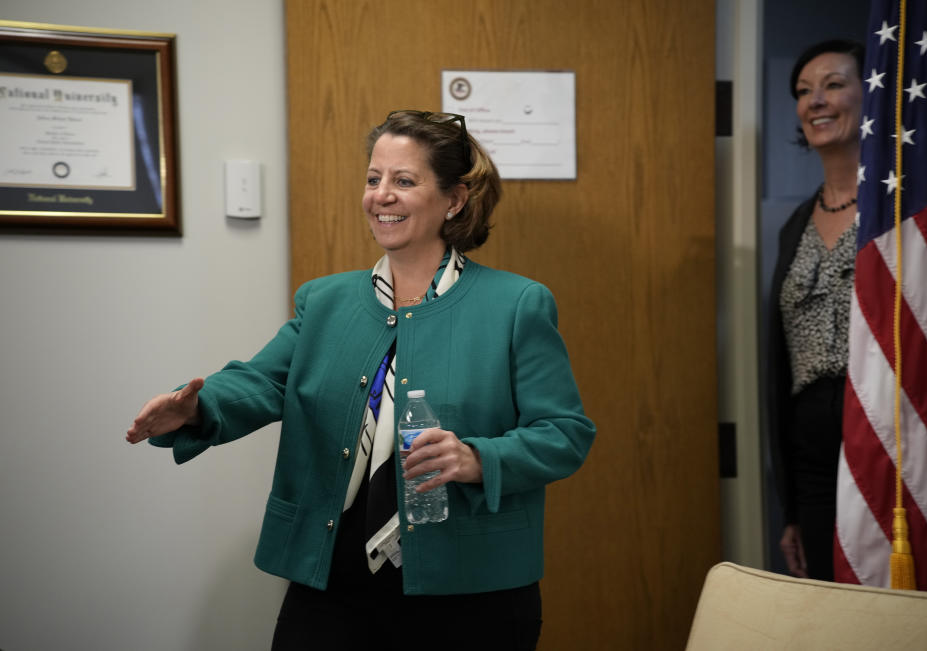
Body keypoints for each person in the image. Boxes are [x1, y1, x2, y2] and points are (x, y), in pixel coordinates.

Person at [126, 109, 596, 650]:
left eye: (404, 180)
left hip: (470, 588)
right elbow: (264, 382)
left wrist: (476, 459)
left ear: (455, 199)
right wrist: (196, 409)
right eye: (374, 179)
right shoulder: (324, 301)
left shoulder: (516, 304)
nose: (381, 195)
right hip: (332, 581)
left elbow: (564, 432)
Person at [768, 40, 864, 581]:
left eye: (832, 84)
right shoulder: (795, 225)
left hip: (889, 429)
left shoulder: (910, 214)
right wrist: (791, 509)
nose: (816, 101)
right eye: (804, 91)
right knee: (831, 588)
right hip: (812, 450)